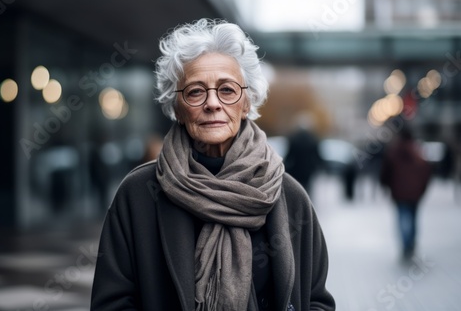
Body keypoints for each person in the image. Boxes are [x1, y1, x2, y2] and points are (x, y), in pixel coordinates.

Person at [91, 19, 335, 311]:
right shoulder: (138, 195)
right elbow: (111, 304)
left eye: (227, 90)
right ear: (176, 107)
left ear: (247, 102)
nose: (212, 103)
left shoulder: (290, 196)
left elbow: (317, 301)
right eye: (195, 91)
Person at [380, 124, 432, 260]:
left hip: (399, 192)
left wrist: (385, 185)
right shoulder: (418, 152)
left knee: (402, 217)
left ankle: (405, 245)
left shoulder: (394, 151)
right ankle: (411, 243)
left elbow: (386, 172)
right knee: (413, 218)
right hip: (415, 193)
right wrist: (422, 188)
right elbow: (426, 172)